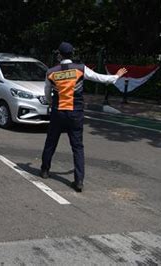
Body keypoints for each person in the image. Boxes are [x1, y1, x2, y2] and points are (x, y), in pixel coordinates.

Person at [40, 42, 127, 192]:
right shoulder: (81, 69)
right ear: (72, 54)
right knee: (77, 147)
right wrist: (116, 76)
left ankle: (45, 170)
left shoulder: (51, 72)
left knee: (51, 142)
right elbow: (101, 78)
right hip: (76, 113)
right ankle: (79, 181)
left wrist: (50, 103)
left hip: (58, 112)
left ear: (59, 55)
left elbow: (47, 93)